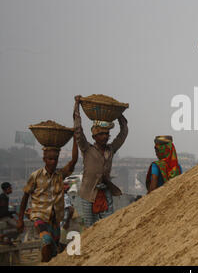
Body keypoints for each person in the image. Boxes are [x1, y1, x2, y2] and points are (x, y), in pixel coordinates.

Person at [16, 140, 78, 262]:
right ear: (44, 159)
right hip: (39, 215)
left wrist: (76, 138)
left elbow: (73, 161)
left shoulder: (60, 175)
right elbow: (25, 197)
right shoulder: (36, 176)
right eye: (50, 159)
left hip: (54, 219)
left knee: (54, 251)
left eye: (55, 159)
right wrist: (20, 219)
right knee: (47, 240)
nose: (53, 162)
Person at [73, 95, 128, 227]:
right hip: (88, 194)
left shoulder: (111, 149)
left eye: (106, 134)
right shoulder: (87, 149)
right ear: (94, 136)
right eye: (101, 134)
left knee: (107, 226)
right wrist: (77, 106)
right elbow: (78, 131)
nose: (105, 137)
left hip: (105, 192)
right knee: (89, 228)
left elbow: (123, 132)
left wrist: (119, 113)